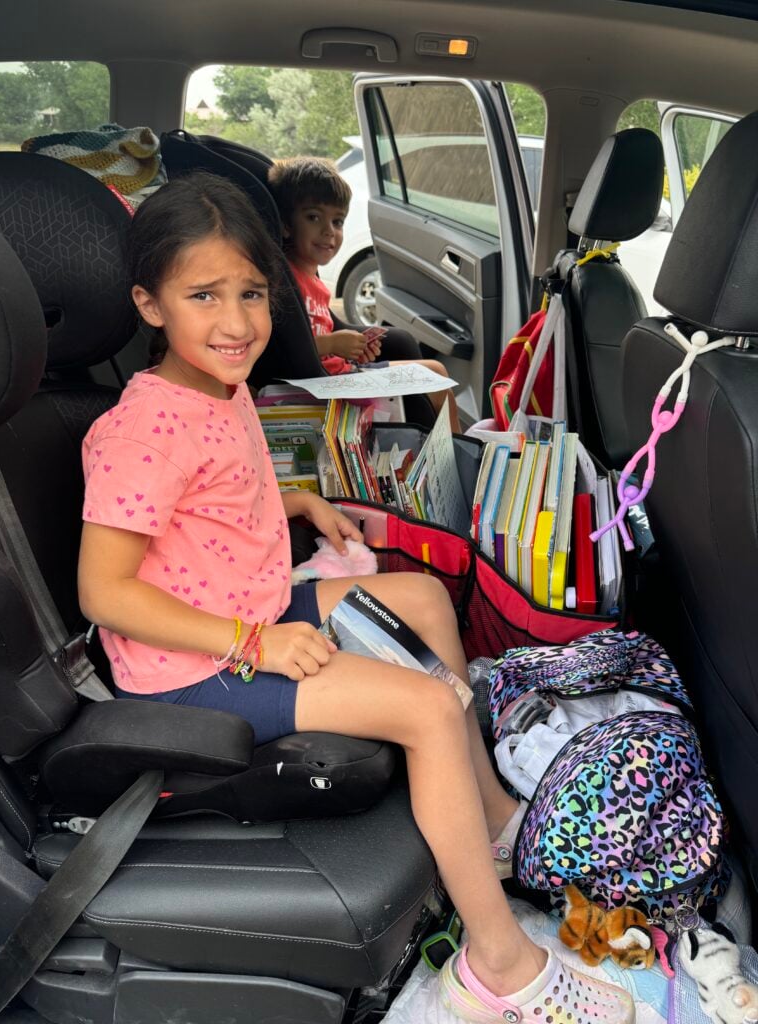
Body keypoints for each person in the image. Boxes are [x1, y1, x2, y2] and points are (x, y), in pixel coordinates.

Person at [77, 172, 633, 1024]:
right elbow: (105, 591)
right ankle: (499, 966)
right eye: (203, 295)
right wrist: (253, 644)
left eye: (253, 293)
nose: (237, 322)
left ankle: (484, 818)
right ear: (149, 305)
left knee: (422, 596)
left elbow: (211, 498)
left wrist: (293, 502)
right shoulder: (139, 430)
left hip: (249, 611)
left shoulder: (215, 387)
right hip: (191, 666)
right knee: (428, 709)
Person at [268, 155, 461, 432]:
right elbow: (280, 349)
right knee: (435, 373)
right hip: (325, 386)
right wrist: (333, 344)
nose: (329, 232)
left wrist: (354, 347)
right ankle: (458, 454)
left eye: (338, 222)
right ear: (286, 225)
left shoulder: (314, 281)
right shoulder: (285, 279)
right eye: (313, 217)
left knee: (434, 370)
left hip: (341, 373)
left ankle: (454, 451)